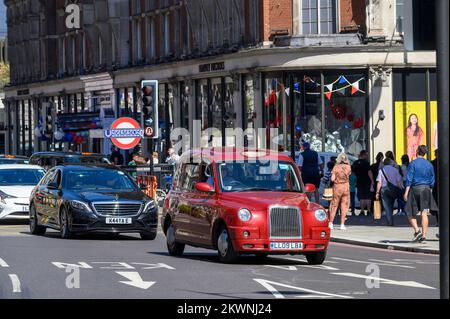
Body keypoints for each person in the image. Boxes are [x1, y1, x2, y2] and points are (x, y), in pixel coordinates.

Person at [404, 145, 438, 243]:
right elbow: (432, 179)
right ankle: (423, 236)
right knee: (424, 213)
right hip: (426, 189)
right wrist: (430, 189)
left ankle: (417, 230)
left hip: (415, 188)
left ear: (417, 151)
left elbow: (409, 178)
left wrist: (406, 192)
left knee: (409, 211)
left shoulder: (413, 163)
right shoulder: (429, 164)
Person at [376, 158, 403, 226]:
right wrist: (402, 189)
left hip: (384, 190)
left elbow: (379, 182)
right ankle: (390, 219)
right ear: (390, 163)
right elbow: (398, 181)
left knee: (387, 206)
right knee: (391, 204)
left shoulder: (381, 170)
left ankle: (390, 221)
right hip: (393, 189)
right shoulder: (395, 170)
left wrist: (377, 192)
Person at [329, 153, 352, 230]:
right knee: (344, 206)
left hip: (337, 187)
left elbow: (332, 179)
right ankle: (342, 224)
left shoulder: (336, 167)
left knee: (334, 205)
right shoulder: (349, 167)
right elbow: (349, 175)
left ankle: (331, 223)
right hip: (346, 187)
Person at [352, 150, 372, 216]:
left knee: (361, 197)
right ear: (363, 155)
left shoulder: (355, 163)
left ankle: (362, 210)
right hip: (367, 182)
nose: (367, 156)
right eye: (366, 155)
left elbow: (353, 173)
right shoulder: (367, 163)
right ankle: (368, 211)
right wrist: (372, 180)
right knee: (368, 197)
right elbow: (369, 172)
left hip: (359, 182)